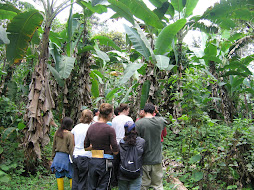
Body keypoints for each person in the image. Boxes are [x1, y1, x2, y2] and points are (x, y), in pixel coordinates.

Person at [84, 103, 119, 190]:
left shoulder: (91, 127)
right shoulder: (110, 129)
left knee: (91, 186)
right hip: (106, 161)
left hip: (93, 159)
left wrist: (95, 146)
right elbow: (115, 150)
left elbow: (86, 146)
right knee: (104, 186)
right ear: (110, 114)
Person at [135, 103, 166, 190]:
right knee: (158, 185)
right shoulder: (160, 121)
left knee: (144, 185)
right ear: (154, 111)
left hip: (144, 159)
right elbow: (164, 120)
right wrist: (157, 112)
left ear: (143, 111)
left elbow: (135, 140)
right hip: (157, 158)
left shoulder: (139, 123)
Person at [118, 121, 145, 190]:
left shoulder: (121, 143)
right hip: (136, 171)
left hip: (123, 172)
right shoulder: (141, 142)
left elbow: (117, 158)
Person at [71, 109, 93, 190]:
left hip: (76, 155)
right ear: (91, 118)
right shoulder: (90, 128)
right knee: (84, 180)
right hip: (85, 156)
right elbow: (91, 145)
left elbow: (73, 143)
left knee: (75, 179)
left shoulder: (76, 127)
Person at [51, 117, 74, 190]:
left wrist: (53, 156)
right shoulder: (69, 134)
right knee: (71, 175)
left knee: (59, 175)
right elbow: (71, 148)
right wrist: (73, 159)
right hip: (65, 157)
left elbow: (53, 145)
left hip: (57, 157)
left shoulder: (57, 132)